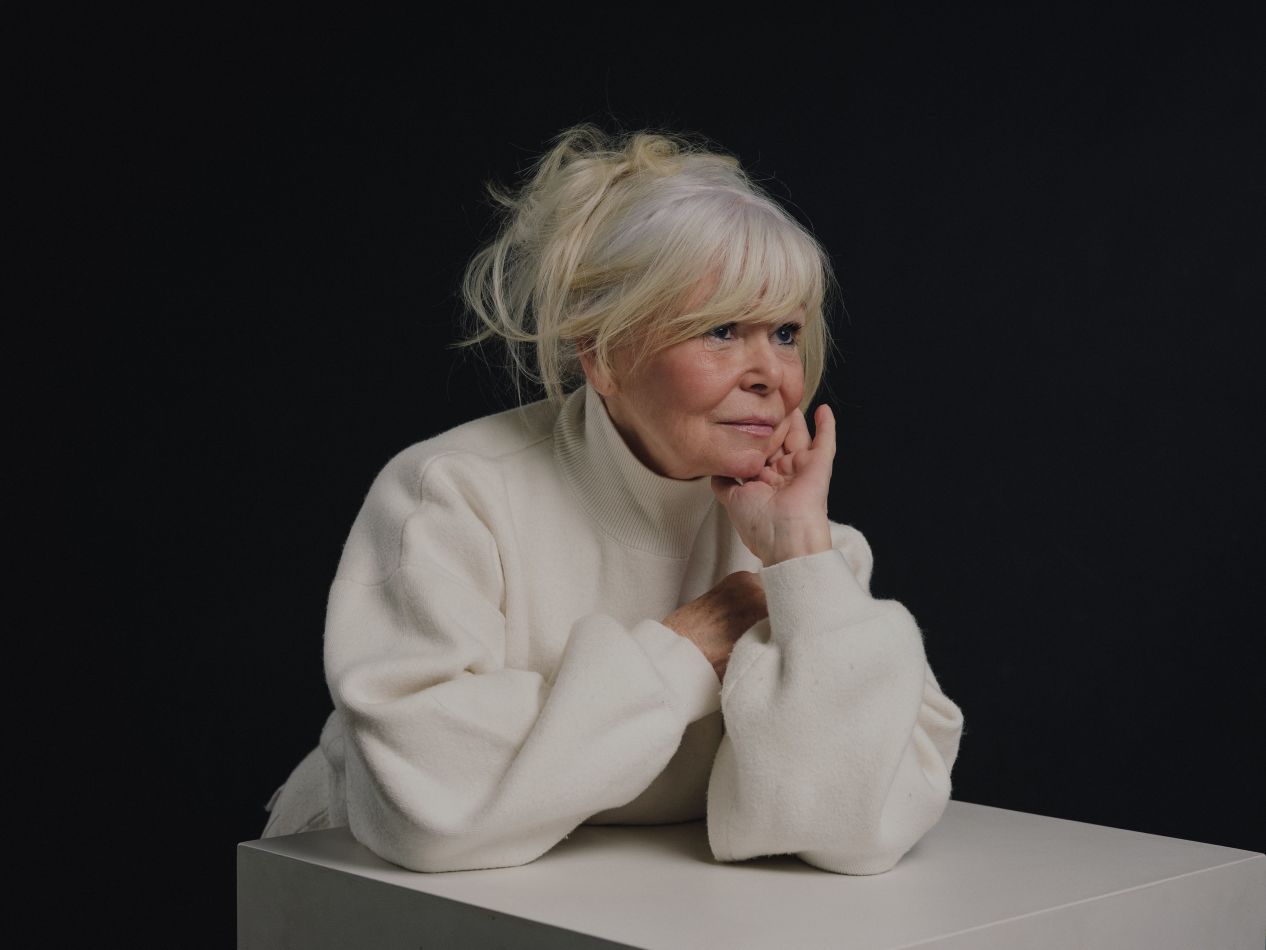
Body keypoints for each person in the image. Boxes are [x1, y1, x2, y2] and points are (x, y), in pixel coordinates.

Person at [259, 123, 965, 875]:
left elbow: (856, 829)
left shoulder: (808, 547)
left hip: (633, 908)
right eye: (722, 330)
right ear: (601, 354)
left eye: (786, 333)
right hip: (354, 891)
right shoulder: (453, 495)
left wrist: (800, 562)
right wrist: (685, 650)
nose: (771, 374)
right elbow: (426, 799)